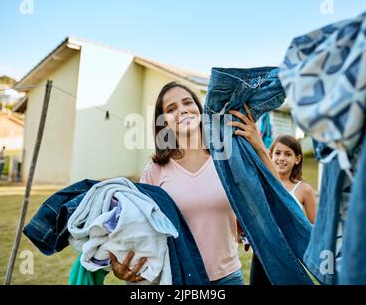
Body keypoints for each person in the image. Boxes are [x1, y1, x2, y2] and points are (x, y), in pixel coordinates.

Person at [109, 81, 278, 285]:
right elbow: (138, 228)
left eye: (187, 102)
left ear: (199, 109)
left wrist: (259, 146)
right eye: (171, 109)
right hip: (178, 279)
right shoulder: (155, 171)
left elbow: (275, 194)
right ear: (163, 122)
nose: (182, 110)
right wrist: (120, 265)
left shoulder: (227, 159)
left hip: (228, 277)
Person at [249, 134, 317, 285]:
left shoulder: (303, 189)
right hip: (262, 255)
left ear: (297, 159)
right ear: (270, 154)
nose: (281, 158)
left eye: (288, 154)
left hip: (290, 256)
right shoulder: (261, 184)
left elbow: (313, 227)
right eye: (277, 153)